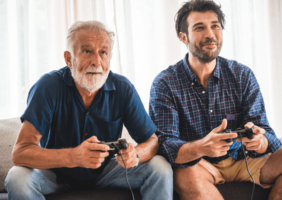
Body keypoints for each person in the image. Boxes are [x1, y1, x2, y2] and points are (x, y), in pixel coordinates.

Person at [5, 20, 173, 200]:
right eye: (87, 51)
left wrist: (136, 155)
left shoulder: (123, 88)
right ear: (69, 59)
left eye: (103, 52)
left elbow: (152, 141)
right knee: (17, 178)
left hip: (106, 173)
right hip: (53, 175)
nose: (97, 61)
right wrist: (73, 156)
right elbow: (21, 152)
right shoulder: (47, 87)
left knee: (160, 168)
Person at [149, 0, 282, 199]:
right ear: (183, 37)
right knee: (183, 175)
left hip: (245, 159)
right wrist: (202, 146)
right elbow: (165, 145)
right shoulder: (165, 83)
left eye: (215, 26)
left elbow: (268, 133)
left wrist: (260, 142)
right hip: (199, 164)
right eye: (199, 28)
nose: (210, 34)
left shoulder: (242, 75)